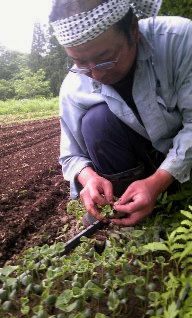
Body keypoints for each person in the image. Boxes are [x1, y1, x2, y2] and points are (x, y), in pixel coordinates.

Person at [49, 0, 192, 227]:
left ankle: (171, 190)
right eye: (80, 62)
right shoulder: (74, 84)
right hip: (136, 159)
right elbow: (71, 155)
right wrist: (88, 177)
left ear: (133, 30)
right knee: (96, 122)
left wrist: (158, 181)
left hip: (182, 159)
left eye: (105, 59)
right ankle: (128, 205)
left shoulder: (178, 40)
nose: (94, 74)